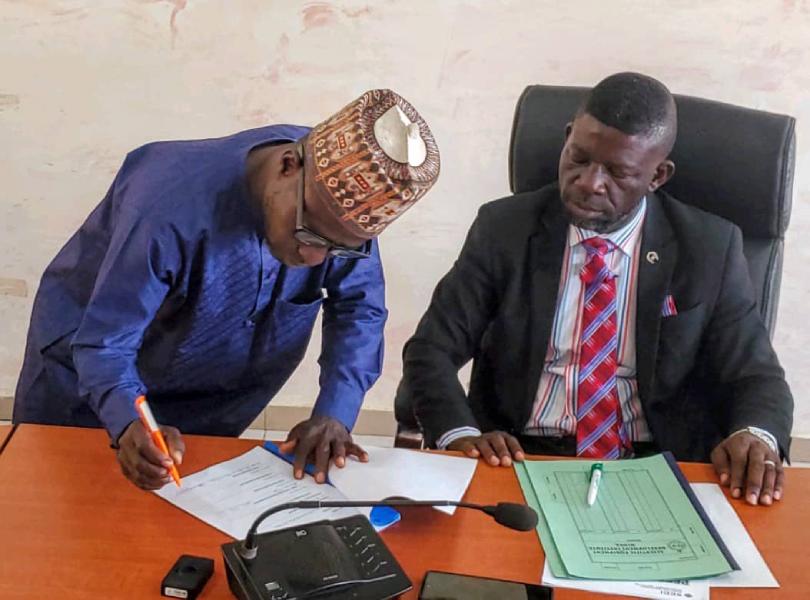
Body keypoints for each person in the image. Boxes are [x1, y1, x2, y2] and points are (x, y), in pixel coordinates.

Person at [399, 73, 792, 507]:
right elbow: (431, 348)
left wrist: (755, 435)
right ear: (568, 137)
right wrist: (461, 435)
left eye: (618, 172)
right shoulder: (504, 229)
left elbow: (756, 375)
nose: (590, 182)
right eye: (579, 158)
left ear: (658, 175)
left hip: (658, 468)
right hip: (520, 460)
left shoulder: (709, 248)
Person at [15, 89, 440, 490]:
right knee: (63, 512)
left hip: (216, 402)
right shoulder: (164, 207)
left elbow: (359, 309)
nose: (316, 260)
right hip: (86, 387)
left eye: (338, 249)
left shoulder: (344, 209)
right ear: (287, 166)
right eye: (309, 234)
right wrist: (128, 422)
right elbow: (106, 344)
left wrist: (335, 413)